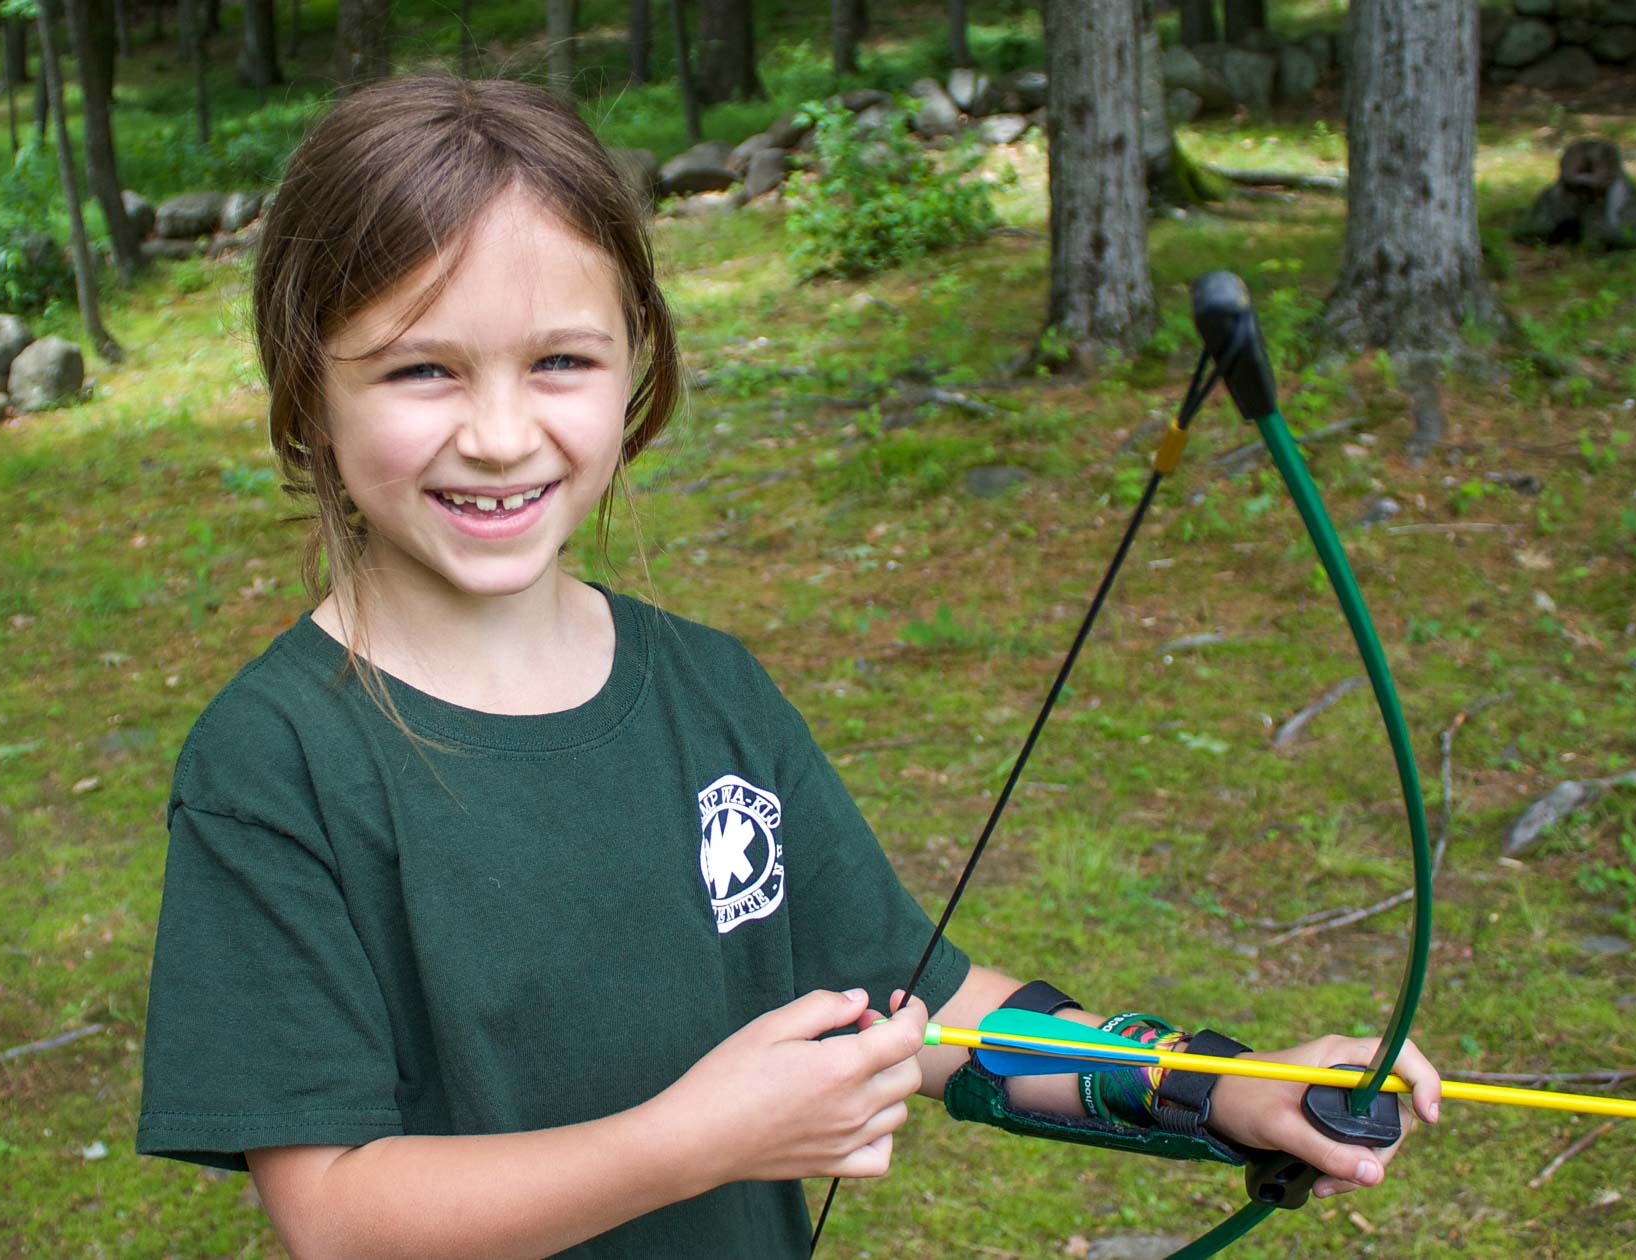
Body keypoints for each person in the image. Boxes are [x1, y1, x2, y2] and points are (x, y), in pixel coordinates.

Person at [135, 75, 1441, 1260]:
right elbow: (336, 1214)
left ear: (637, 363)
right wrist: (697, 1142)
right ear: (307, 391)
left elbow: (929, 1012)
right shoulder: (277, 762)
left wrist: (1218, 1088)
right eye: (422, 369)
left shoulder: (711, 691)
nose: (497, 433)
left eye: (561, 362)